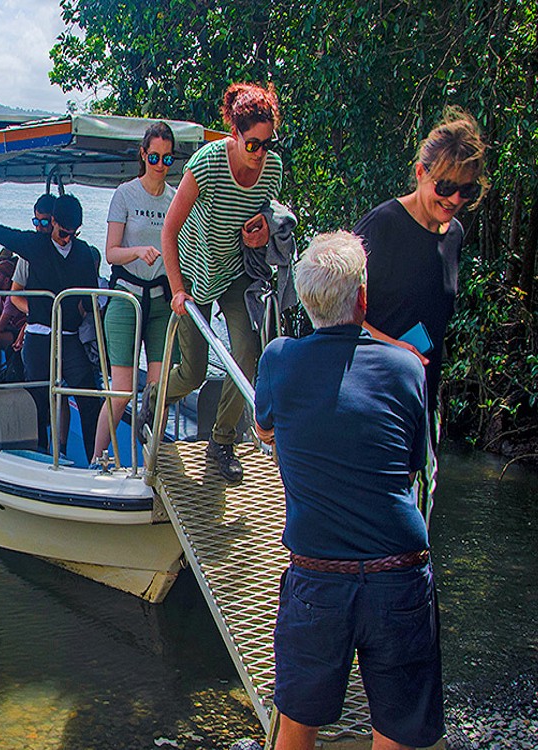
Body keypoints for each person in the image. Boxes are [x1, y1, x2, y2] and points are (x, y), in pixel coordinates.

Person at [255, 231, 442, 750]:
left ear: (307, 302)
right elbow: (409, 466)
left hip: (318, 577)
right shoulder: (407, 368)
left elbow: (265, 427)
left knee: (296, 726)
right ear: (362, 299)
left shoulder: (278, 359)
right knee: (399, 732)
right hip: (399, 573)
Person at [138, 82, 283, 484]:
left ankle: (221, 442)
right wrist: (177, 290)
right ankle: (155, 394)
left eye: (267, 144)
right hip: (194, 275)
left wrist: (262, 232)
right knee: (194, 373)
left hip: (235, 272)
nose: (260, 154)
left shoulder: (272, 169)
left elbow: (264, 218)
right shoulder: (205, 166)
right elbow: (169, 231)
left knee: (246, 357)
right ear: (234, 135)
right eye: (252, 144)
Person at [355, 106, 488, 523]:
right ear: (420, 173)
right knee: (374, 509)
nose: (453, 200)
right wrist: (390, 345)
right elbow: (332, 312)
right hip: (373, 392)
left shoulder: (456, 237)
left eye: (466, 191)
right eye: (445, 187)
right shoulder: (383, 226)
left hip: (423, 395)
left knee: (418, 509)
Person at [0, 168, 103, 462]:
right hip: (39, 336)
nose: (65, 239)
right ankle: (40, 456)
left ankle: (96, 459)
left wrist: (91, 312)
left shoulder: (84, 253)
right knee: (38, 397)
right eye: (61, 232)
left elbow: (89, 298)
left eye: (72, 235)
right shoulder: (36, 245)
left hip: (71, 337)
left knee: (88, 395)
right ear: (53, 224)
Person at [92, 121, 178, 464]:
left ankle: (154, 463)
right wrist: (138, 251)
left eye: (167, 159)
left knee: (158, 393)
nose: (160, 165)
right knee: (121, 392)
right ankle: (97, 458)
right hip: (127, 297)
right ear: (144, 155)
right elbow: (111, 251)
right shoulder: (125, 194)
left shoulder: (175, 199)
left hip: (160, 300)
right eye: (154, 157)